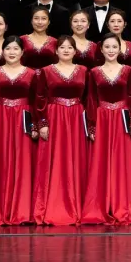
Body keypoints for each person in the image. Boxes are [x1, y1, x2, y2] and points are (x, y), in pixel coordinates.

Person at [82, 34, 131, 225]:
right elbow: (91, 100)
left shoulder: (128, 70)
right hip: (102, 118)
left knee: (122, 161)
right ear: (101, 49)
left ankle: (122, 204)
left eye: (114, 47)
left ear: (120, 49)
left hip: (122, 118)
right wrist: (92, 125)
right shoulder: (94, 72)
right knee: (101, 160)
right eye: (107, 47)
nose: (111, 50)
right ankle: (100, 205)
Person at [32, 37, 90, 225]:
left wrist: (90, 123)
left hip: (76, 117)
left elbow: (89, 98)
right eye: (62, 47)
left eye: (70, 47)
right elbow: (40, 97)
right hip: (54, 116)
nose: (66, 50)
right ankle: (51, 205)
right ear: (56, 51)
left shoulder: (84, 71)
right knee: (53, 158)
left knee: (75, 159)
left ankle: (76, 204)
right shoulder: (46, 71)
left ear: (75, 51)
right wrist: (42, 122)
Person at [0, 36, 36, 226]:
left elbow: (36, 101)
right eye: (8, 49)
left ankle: (21, 210)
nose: (12, 52)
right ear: (2, 52)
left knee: (23, 161)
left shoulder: (32, 73)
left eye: (16, 49)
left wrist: (36, 125)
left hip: (23, 118)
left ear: (22, 52)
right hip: (0, 118)